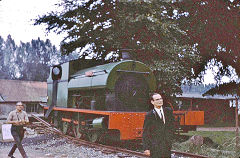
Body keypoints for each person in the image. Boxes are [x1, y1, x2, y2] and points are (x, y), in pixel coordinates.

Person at [142, 93, 175, 158]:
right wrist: (146, 148)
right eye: (157, 99)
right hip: (155, 147)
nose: (160, 101)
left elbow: (172, 126)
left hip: (167, 145)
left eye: (161, 99)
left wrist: (170, 139)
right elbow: (146, 132)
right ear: (152, 102)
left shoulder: (169, 111)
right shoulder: (149, 115)